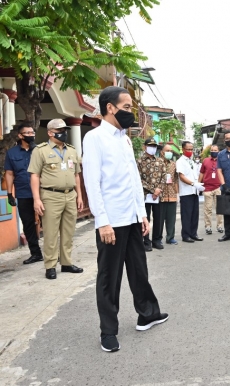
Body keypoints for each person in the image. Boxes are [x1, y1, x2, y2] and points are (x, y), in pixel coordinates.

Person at [83, 86, 168, 353]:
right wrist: (102, 222)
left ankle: (148, 314)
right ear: (111, 107)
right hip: (112, 220)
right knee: (110, 277)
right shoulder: (95, 138)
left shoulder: (125, 139)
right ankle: (108, 331)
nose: (131, 112)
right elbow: (92, 183)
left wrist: (142, 214)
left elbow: (132, 180)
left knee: (139, 270)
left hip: (131, 217)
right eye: (128, 107)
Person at [28, 119, 84, 279]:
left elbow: (77, 175)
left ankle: (66, 263)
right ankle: (50, 266)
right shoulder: (40, 150)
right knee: (51, 233)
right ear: (50, 133)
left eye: (65, 130)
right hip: (50, 196)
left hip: (70, 195)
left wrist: (79, 195)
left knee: (68, 231)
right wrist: (36, 199)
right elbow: (35, 176)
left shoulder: (72, 150)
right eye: (60, 130)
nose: (64, 133)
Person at [4, 122, 44, 265]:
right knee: (28, 224)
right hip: (23, 193)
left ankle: (54, 253)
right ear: (20, 136)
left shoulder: (40, 150)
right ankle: (36, 253)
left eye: (32, 133)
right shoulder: (12, 153)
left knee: (50, 222)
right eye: (27, 133)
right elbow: (9, 173)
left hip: (43, 192)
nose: (31, 135)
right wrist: (9, 193)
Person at [137, 137, 167, 251]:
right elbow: (138, 179)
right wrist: (152, 190)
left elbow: (165, 177)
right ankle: (146, 241)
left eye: (154, 146)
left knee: (159, 218)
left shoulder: (160, 161)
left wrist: (158, 189)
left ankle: (157, 240)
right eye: (150, 146)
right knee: (146, 218)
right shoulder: (139, 161)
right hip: (145, 195)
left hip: (158, 195)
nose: (153, 148)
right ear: (145, 147)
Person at [176, 141, 205, 242]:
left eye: (191, 149)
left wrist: (198, 185)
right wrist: (193, 184)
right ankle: (186, 235)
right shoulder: (180, 161)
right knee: (187, 215)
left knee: (194, 214)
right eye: (188, 149)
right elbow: (181, 176)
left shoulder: (191, 161)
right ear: (183, 149)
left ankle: (194, 233)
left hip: (194, 192)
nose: (190, 151)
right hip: (186, 192)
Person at [199, 145, 224, 235]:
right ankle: (208, 226)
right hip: (207, 188)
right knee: (208, 209)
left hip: (218, 188)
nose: (214, 151)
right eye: (212, 150)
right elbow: (202, 173)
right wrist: (199, 184)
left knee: (219, 208)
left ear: (218, 151)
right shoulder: (205, 161)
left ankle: (220, 226)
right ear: (210, 151)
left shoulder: (221, 161)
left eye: (215, 150)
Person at [159, 144, 179, 245]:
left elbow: (176, 179)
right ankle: (158, 239)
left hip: (172, 194)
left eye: (171, 151)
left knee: (171, 218)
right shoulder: (157, 163)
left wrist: (176, 192)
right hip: (160, 195)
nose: (169, 153)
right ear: (162, 152)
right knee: (159, 218)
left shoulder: (173, 164)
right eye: (167, 150)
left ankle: (170, 237)